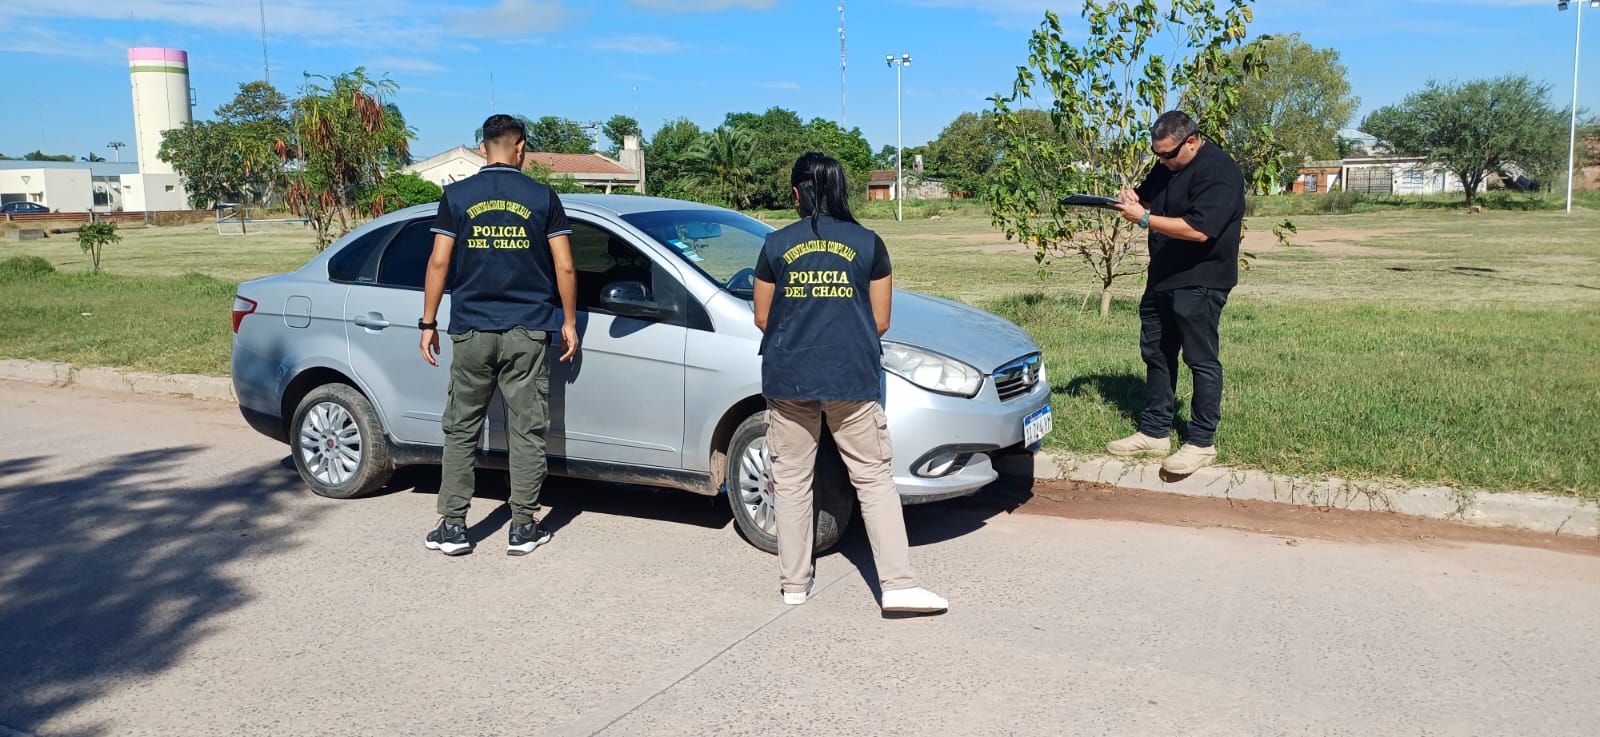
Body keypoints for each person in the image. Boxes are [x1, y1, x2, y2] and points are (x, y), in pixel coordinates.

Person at [752, 152, 948, 614]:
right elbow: (880, 320)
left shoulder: (775, 245)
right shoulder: (869, 244)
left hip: (788, 378)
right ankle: (898, 585)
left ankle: (794, 584)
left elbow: (763, 316)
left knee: (793, 480)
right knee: (874, 478)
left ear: (798, 193)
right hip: (851, 379)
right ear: (841, 190)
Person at [418, 113, 579, 556]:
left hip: (470, 328)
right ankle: (523, 526)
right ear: (521, 147)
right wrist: (568, 320)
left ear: (483, 147)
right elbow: (565, 265)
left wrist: (428, 322)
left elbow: (438, 263)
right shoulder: (543, 197)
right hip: (528, 330)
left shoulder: (456, 196)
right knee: (526, 430)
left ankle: (453, 527)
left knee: (461, 428)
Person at [1110, 110, 1246, 475]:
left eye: (1168, 154)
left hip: (1202, 279)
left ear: (1191, 141)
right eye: (1157, 155)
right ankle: (1155, 432)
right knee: (1155, 351)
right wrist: (1132, 200)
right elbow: (1148, 199)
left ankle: (1201, 442)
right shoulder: (1168, 165)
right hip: (1163, 276)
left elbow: (1199, 230)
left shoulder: (1220, 173)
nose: (1162, 161)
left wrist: (1141, 219)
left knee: (1200, 359)